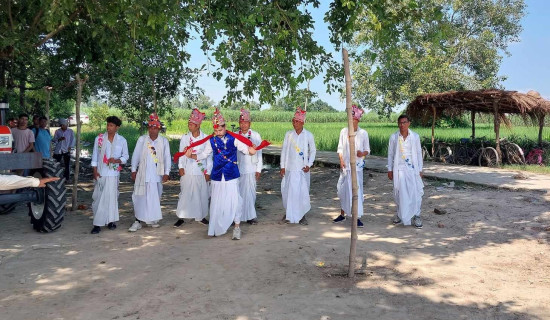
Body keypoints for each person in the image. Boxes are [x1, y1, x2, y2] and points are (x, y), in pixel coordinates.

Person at [185, 108, 257, 240]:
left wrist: (251, 151)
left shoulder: (233, 139)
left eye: (220, 130)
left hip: (231, 175)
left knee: (235, 201)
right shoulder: (211, 141)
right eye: (216, 130)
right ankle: (216, 227)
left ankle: (236, 227)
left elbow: (245, 149)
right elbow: (204, 154)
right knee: (217, 202)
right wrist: (192, 156)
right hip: (217, 175)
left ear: (225, 127)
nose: (218, 133)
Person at [129, 113, 171, 232]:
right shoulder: (142, 139)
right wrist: (133, 170)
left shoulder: (163, 141)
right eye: (150, 128)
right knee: (139, 197)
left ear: (158, 129)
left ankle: (152, 220)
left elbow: (167, 157)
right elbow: (136, 155)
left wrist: (167, 172)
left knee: (155, 197)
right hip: (143, 174)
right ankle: (137, 221)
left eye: (155, 128)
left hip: (157, 175)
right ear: (148, 128)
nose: (152, 130)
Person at [333, 105, 370, 228]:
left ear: (357, 120)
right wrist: (341, 160)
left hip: (357, 167)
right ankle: (342, 214)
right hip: (345, 167)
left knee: (356, 191)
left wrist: (362, 153)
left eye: (353, 119)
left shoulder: (363, 133)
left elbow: (367, 150)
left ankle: (357, 217)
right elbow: (340, 148)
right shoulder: (343, 131)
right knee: (342, 190)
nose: (351, 122)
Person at [90, 116, 129, 234]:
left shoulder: (122, 140)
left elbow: (126, 157)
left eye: (111, 125)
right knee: (99, 198)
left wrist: (117, 160)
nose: (108, 127)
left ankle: (111, 221)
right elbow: (95, 156)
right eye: (108, 125)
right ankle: (97, 224)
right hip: (101, 173)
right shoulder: (100, 139)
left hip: (113, 173)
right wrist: (94, 171)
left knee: (112, 198)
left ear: (117, 127)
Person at [174, 108, 212, 228]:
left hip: (201, 170)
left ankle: (201, 217)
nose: (189, 126)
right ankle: (182, 216)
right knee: (185, 193)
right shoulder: (185, 138)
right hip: (187, 169)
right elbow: (181, 153)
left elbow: (208, 157)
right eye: (189, 124)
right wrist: (180, 166)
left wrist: (208, 172)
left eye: (191, 124)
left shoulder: (206, 138)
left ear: (198, 125)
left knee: (202, 194)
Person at [280, 107, 316, 225]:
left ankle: (302, 215)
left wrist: (309, 164)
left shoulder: (308, 135)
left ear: (302, 122)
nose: (294, 123)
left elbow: (313, 151)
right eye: (293, 121)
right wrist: (282, 166)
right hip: (290, 168)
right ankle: (288, 213)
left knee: (302, 193)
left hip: (302, 169)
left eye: (296, 121)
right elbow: (284, 151)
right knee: (287, 192)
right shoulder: (288, 134)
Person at [387, 114, 424, 229]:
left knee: (415, 193)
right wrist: (390, 169)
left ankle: (416, 216)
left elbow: (418, 153)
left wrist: (420, 169)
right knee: (398, 193)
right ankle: (399, 215)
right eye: (400, 123)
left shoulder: (415, 137)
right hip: (399, 170)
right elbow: (391, 154)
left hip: (412, 169)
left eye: (404, 122)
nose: (402, 125)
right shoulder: (394, 137)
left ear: (409, 123)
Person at [236, 109, 263, 225]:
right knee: (238, 193)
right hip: (237, 169)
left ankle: (251, 216)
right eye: (241, 122)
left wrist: (259, 169)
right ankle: (237, 216)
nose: (243, 124)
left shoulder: (256, 135)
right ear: (239, 123)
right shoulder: (235, 136)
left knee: (251, 193)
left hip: (252, 169)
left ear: (250, 123)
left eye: (246, 122)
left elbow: (260, 153)